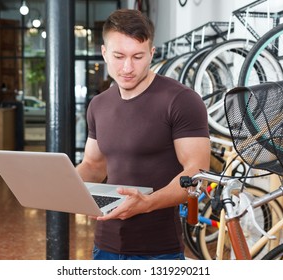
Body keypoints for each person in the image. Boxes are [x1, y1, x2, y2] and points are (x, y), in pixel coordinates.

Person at [76, 9, 210, 260]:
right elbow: (93, 166)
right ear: (104, 53)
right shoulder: (98, 105)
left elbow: (197, 172)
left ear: (152, 53)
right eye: (118, 56)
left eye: (138, 56)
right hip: (104, 245)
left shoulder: (181, 100)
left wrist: (147, 203)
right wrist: (59, 184)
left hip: (158, 251)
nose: (127, 67)